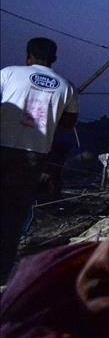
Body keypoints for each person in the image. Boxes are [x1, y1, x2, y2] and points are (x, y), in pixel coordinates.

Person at [1, 37, 78, 279]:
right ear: (53, 59)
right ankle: (2, 271)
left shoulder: (8, 73)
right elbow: (69, 123)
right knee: (14, 212)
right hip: (34, 155)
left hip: (1, 146)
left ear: (28, 56)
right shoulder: (66, 87)